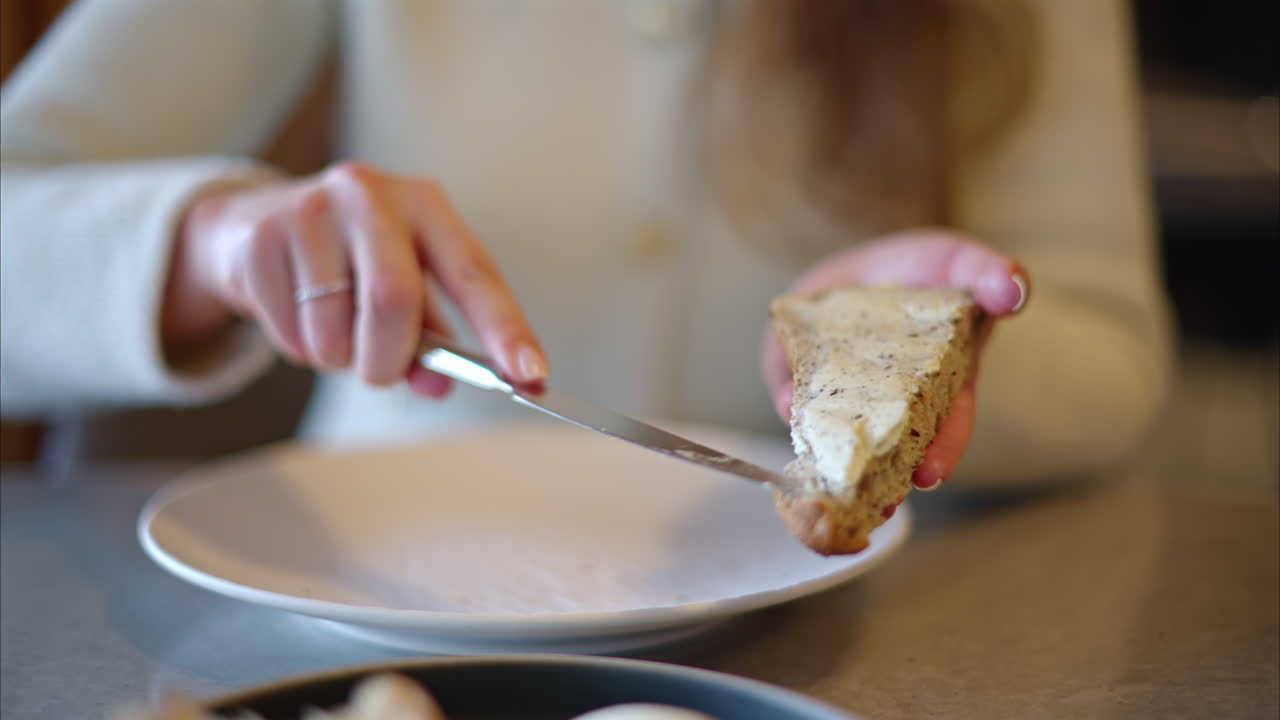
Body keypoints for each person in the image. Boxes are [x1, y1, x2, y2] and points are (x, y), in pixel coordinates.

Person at [0, 0, 1171, 488]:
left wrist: (951, 344)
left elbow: (1113, 349)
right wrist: (212, 238)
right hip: (373, 619)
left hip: (848, 647)